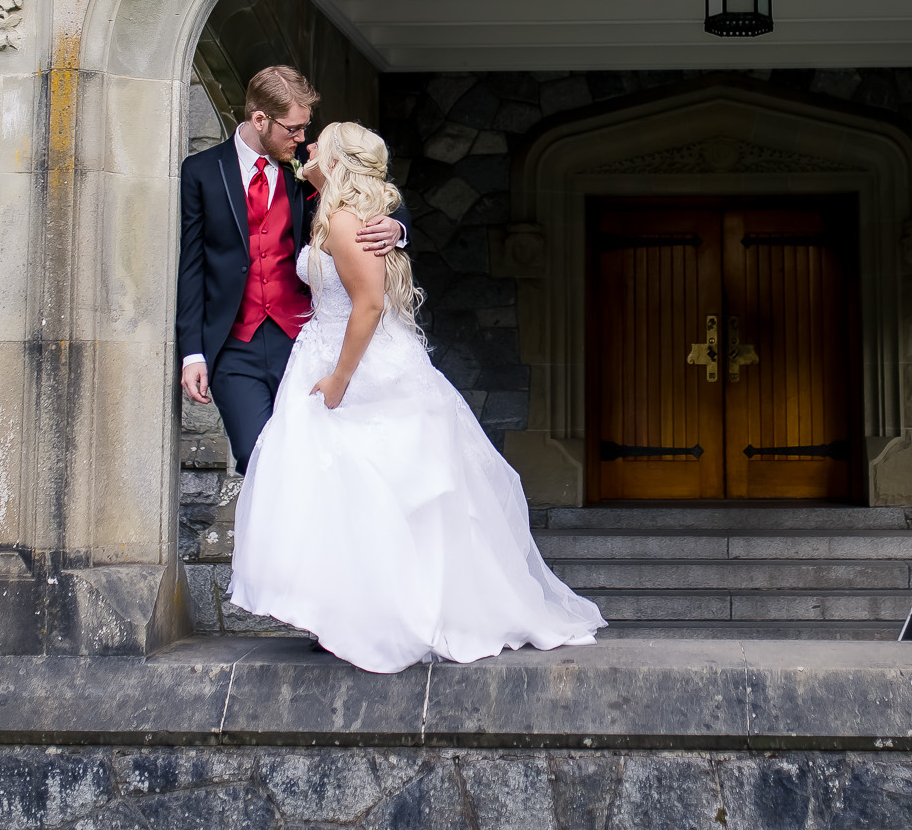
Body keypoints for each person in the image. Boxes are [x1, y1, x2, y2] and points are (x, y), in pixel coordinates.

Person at [227, 121, 605, 673]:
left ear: (335, 161)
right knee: (344, 495)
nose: (306, 147)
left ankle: (389, 613)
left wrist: (338, 380)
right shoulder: (311, 198)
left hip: (354, 364)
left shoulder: (347, 219)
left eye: (317, 143)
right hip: (329, 348)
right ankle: (352, 609)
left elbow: (370, 304)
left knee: (389, 492)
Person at [176, 66, 407, 476]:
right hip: (234, 345)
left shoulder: (309, 165)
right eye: (294, 128)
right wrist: (193, 352)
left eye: (305, 129)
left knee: (310, 457)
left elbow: (372, 183)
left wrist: (397, 224)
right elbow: (192, 265)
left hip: (299, 339)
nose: (302, 138)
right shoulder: (201, 171)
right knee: (255, 455)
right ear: (260, 119)